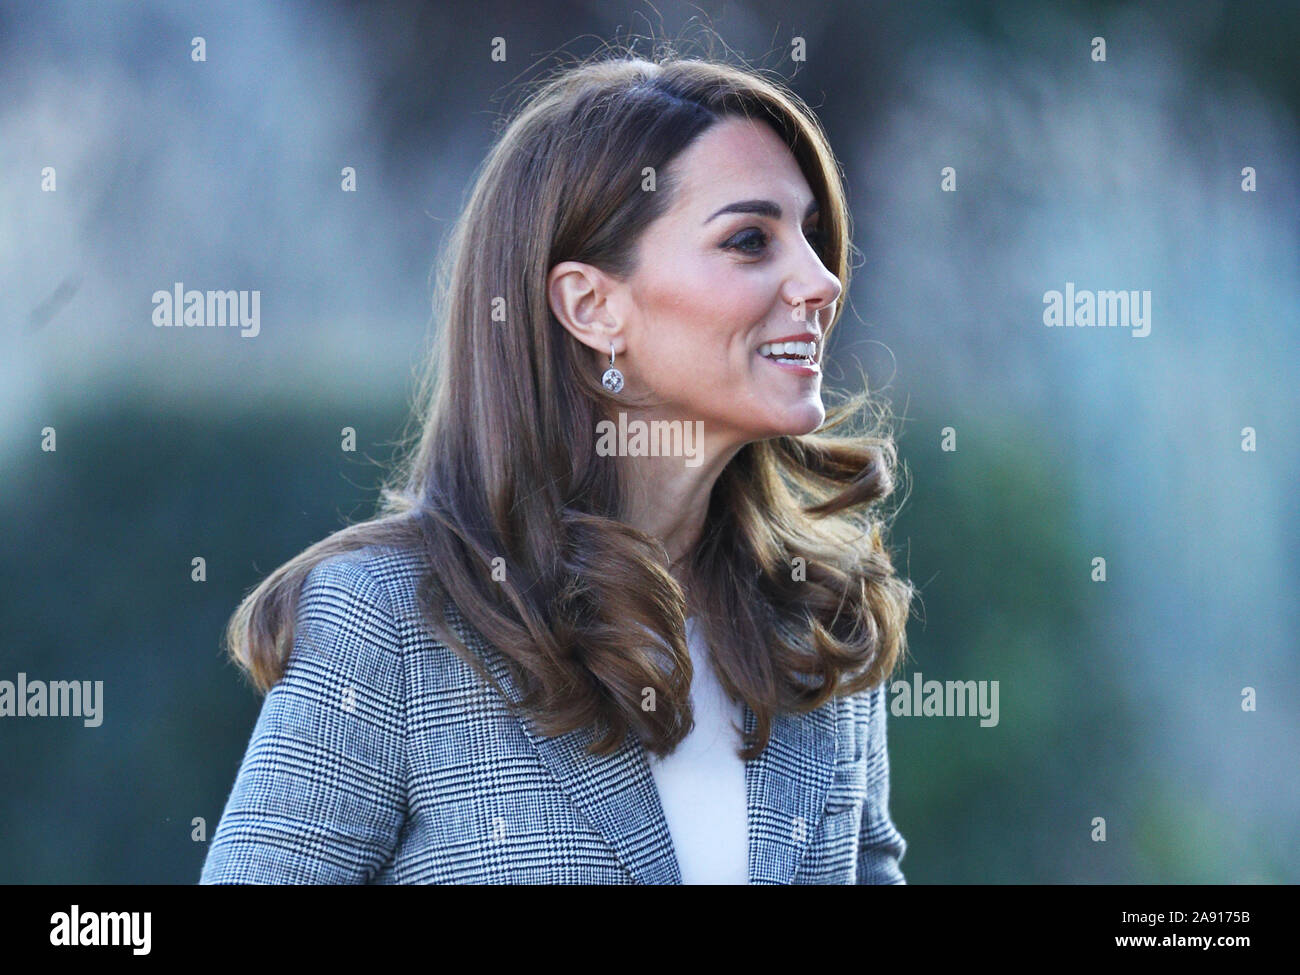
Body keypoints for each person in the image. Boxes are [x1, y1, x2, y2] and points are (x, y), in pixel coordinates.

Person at [200, 46, 915, 885]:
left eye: (815, 237)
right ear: (591, 306)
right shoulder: (391, 623)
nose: (822, 281)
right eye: (752, 240)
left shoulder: (815, 621)